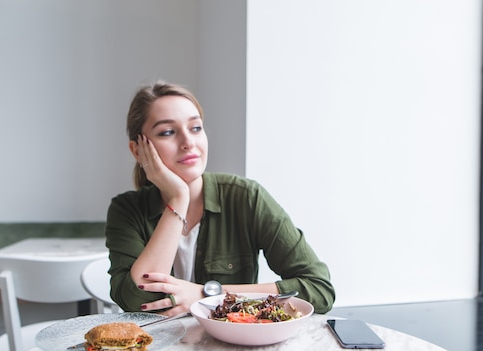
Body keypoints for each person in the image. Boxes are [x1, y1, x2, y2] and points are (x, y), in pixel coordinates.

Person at [105, 82, 336, 315]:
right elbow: (137, 302)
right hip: (162, 350)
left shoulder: (246, 197)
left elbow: (319, 290)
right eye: (167, 132)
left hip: (233, 347)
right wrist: (178, 197)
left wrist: (208, 294)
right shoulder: (127, 210)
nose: (188, 142)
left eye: (195, 128)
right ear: (138, 150)